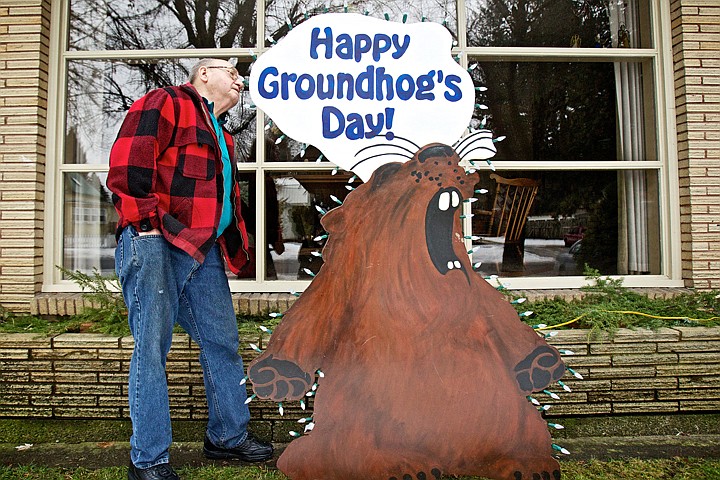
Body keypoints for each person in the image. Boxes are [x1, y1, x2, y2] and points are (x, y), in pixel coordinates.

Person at [108, 58, 273, 480]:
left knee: (222, 340)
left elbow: (222, 202)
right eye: (231, 71)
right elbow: (128, 167)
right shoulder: (165, 102)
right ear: (204, 74)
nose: (240, 79)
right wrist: (146, 228)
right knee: (152, 347)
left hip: (201, 249)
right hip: (155, 240)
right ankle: (148, 460)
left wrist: (235, 247)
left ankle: (227, 436)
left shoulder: (224, 136)